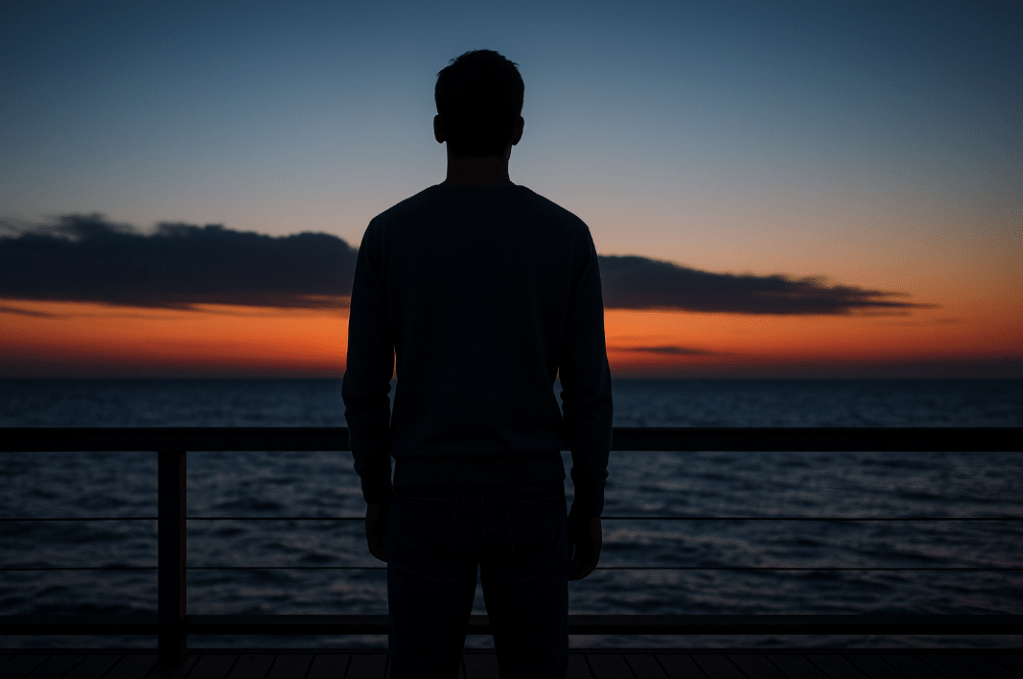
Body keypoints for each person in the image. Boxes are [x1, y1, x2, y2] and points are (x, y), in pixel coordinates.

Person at [342, 49, 613, 679]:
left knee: (419, 672)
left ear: (438, 127)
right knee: (536, 671)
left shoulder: (388, 234)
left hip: (425, 490)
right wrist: (590, 500)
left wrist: (375, 492)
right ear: (518, 129)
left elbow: (363, 385)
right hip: (531, 492)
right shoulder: (567, 235)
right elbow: (588, 389)